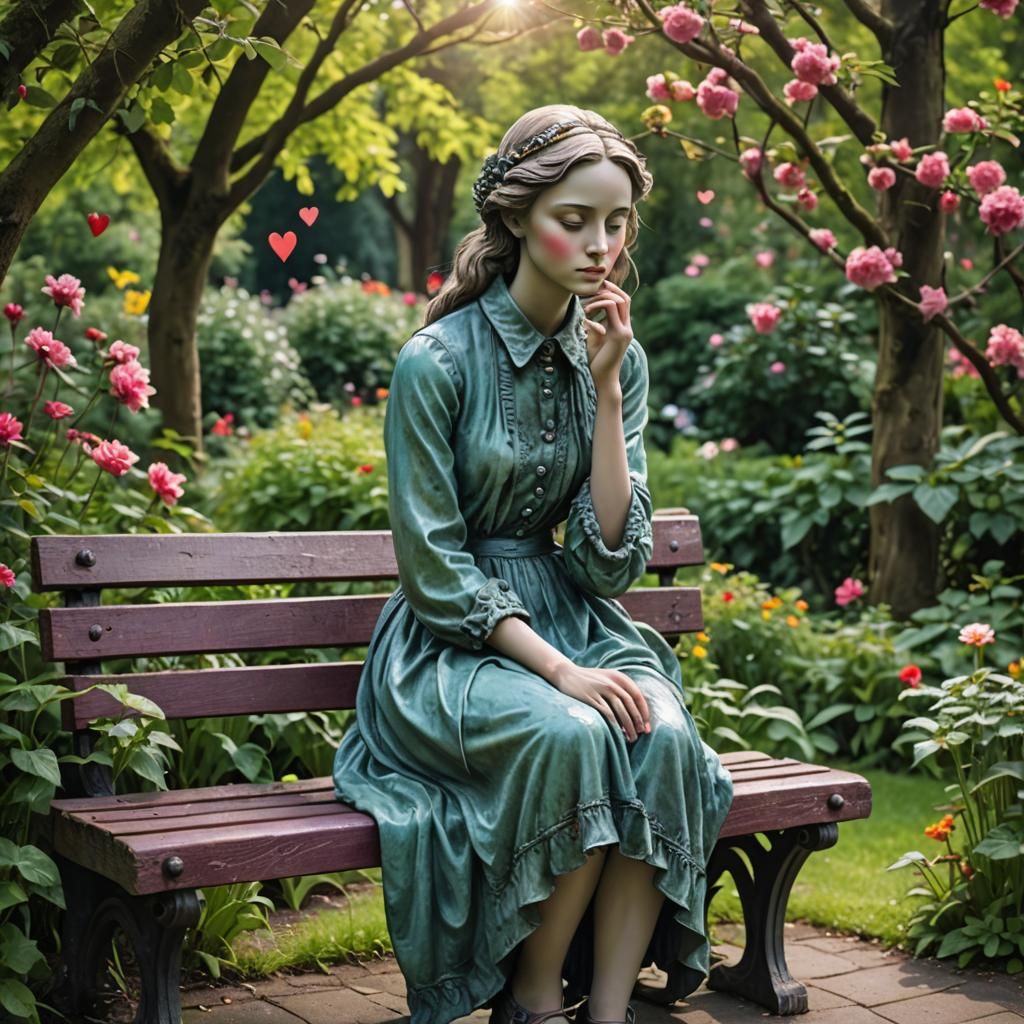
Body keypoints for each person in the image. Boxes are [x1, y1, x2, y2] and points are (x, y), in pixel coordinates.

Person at [332, 103, 734, 1024]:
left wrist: (601, 388)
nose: (600, 244)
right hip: (451, 650)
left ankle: (606, 1010)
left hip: (572, 614)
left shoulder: (616, 360)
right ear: (516, 218)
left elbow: (606, 566)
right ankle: (532, 997)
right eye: (574, 218)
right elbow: (433, 572)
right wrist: (562, 673)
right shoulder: (436, 363)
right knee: (577, 730)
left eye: (617, 222)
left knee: (662, 737)